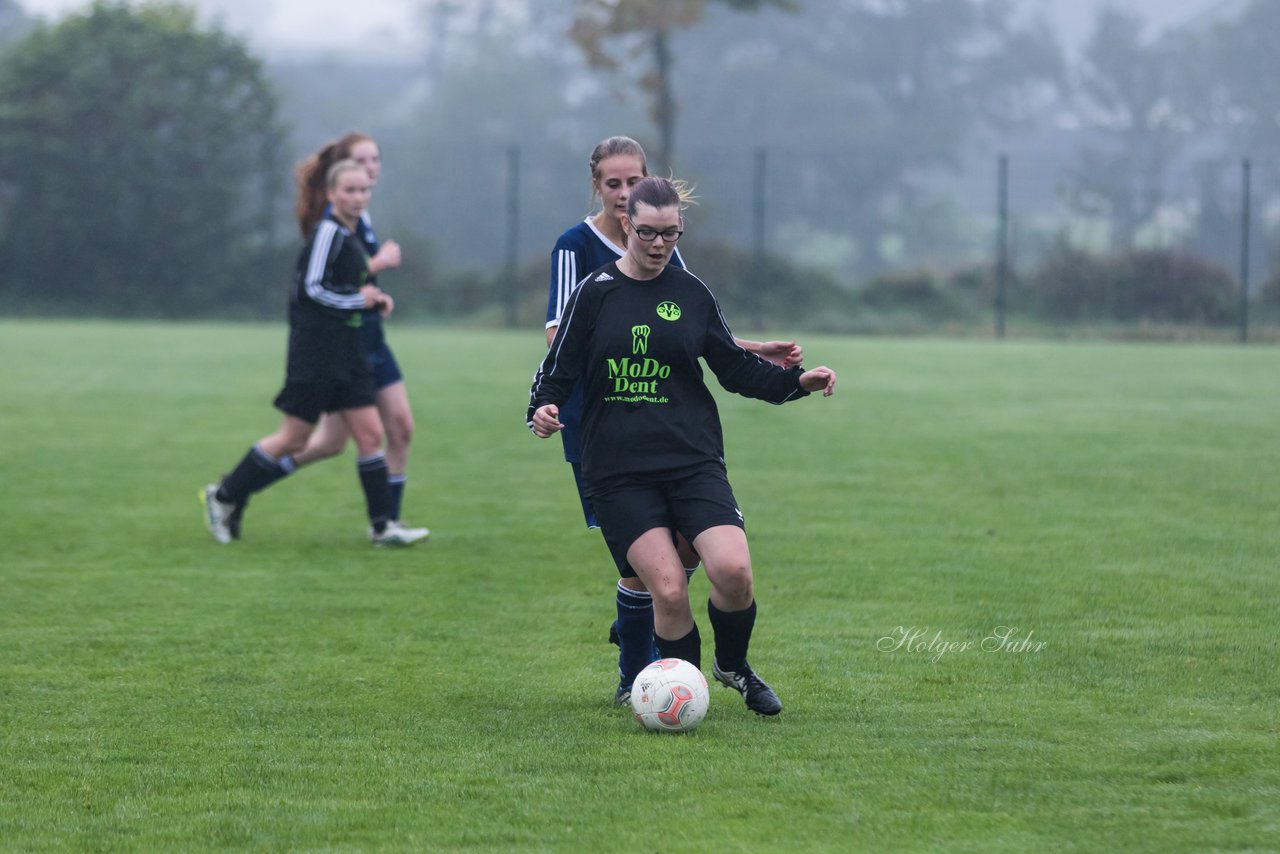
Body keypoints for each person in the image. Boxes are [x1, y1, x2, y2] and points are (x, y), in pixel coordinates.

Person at [529, 176, 837, 716]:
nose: (658, 244)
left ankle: (733, 667)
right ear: (627, 224)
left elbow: (734, 368)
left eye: (670, 234)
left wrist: (796, 384)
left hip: (692, 462)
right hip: (620, 472)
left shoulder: (691, 293)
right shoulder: (595, 293)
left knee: (734, 572)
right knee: (668, 590)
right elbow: (558, 369)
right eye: (647, 232)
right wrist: (542, 407)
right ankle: (683, 691)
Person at [201, 159, 428, 547]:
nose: (358, 197)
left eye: (363, 190)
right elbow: (311, 290)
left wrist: (372, 301)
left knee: (371, 434)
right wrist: (358, 299)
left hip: (350, 352)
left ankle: (382, 527)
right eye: (349, 190)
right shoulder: (328, 233)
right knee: (293, 437)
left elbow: (345, 288)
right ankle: (223, 496)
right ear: (330, 194)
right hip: (316, 354)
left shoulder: (352, 236)